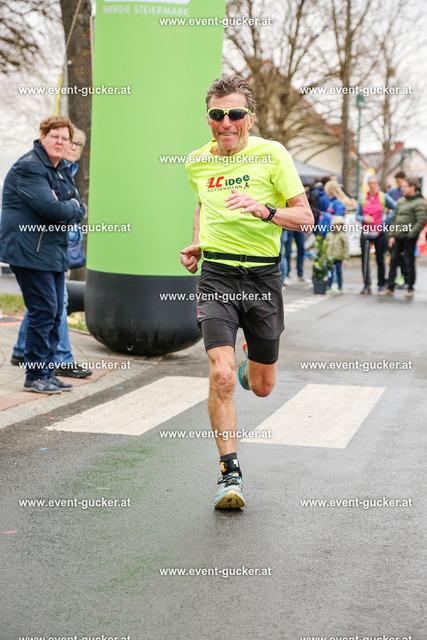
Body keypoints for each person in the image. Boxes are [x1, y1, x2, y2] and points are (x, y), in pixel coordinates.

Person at [180, 75, 313, 509]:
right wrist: (198, 243)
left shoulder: (273, 154)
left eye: (235, 113)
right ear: (209, 118)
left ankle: (247, 366)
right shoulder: (196, 162)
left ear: (250, 118)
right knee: (219, 375)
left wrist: (266, 210)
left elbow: (305, 218)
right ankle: (230, 475)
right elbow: (202, 204)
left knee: (262, 385)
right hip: (217, 276)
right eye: (217, 114)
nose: (227, 122)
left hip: (262, 279)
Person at [0, 116, 85, 393]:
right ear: (42, 136)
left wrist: (67, 208)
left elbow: (78, 208)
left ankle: (47, 373)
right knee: (43, 310)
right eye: (55, 136)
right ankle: (34, 375)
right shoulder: (29, 167)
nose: (61, 142)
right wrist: (65, 207)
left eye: (65, 138)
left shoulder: (60, 169)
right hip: (29, 251)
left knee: (56, 311)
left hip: (52, 251)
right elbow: (52, 208)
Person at [379, 177, 427, 298]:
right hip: (398, 236)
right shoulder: (401, 201)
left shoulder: (420, 202)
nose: (403, 189)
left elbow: (420, 221)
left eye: (405, 186)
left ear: (412, 187)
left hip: (409, 237)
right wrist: (392, 234)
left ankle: (410, 287)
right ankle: (390, 287)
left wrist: (411, 234)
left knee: (409, 261)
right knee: (393, 261)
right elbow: (395, 219)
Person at [355, 175, 396, 295]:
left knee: (380, 259)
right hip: (366, 232)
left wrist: (385, 221)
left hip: (379, 232)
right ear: (368, 185)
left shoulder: (383, 197)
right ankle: (366, 285)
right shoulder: (363, 198)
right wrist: (364, 218)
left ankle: (381, 284)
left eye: (374, 183)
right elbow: (357, 216)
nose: (372, 185)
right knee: (365, 259)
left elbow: (395, 208)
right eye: (370, 183)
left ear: (377, 184)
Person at [387, 170, 409, 288]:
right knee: (394, 254)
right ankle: (394, 278)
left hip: (403, 227)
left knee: (404, 255)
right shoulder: (392, 192)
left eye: (398, 181)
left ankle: (406, 278)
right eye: (396, 181)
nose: (397, 183)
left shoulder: (408, 192)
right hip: (392, 225)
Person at [325, 216, 349, 294]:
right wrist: (324, 256)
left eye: (339, 225)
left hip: (339, 257)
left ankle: (340, 286)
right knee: (330, 273)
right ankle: (329, 286)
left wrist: (345, 258)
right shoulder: (329, 235)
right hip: (330, 257)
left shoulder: (342, 235)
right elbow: (325, 246)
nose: (338, 227)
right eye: (336, 225)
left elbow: (346, 247)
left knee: (339, 272)